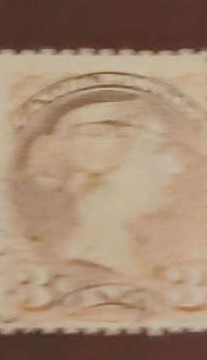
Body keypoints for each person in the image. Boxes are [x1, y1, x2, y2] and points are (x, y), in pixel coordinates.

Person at [26, 97, 184, 277]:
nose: (177, 168)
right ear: (107, 186)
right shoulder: (91, 267)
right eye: (156, 151)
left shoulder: (138, 258)